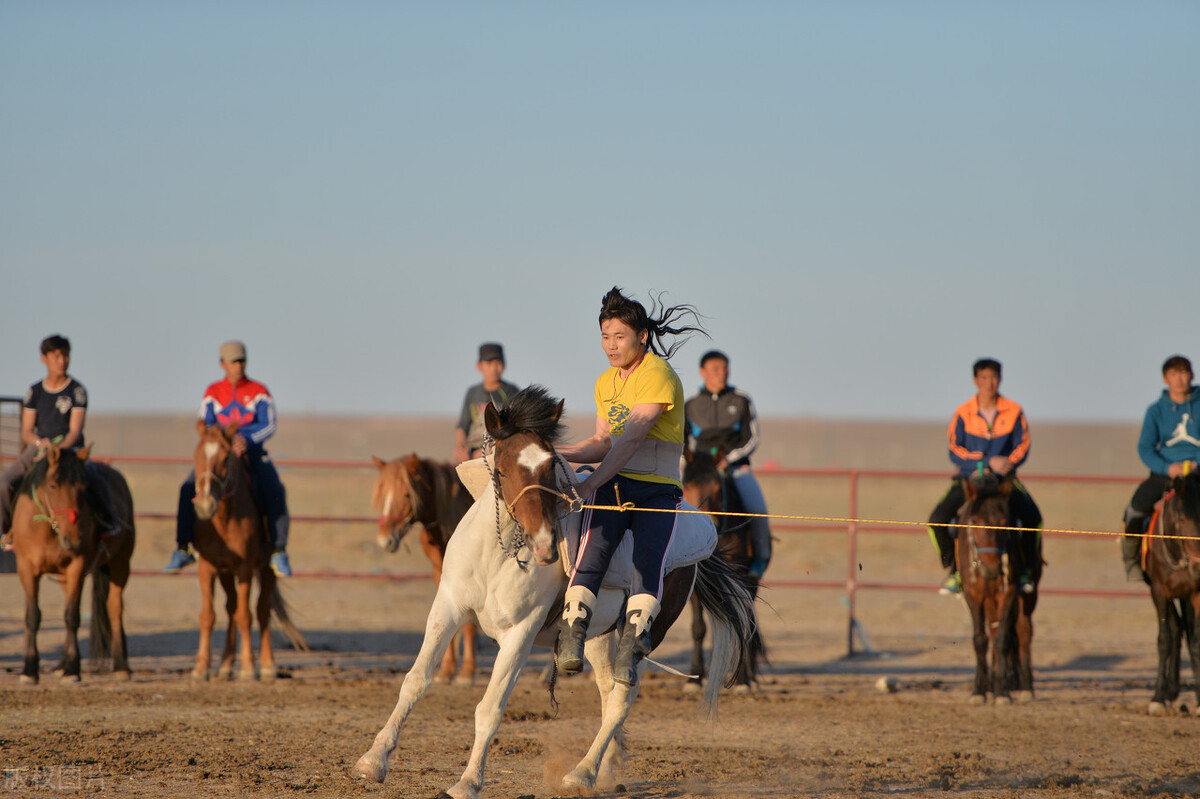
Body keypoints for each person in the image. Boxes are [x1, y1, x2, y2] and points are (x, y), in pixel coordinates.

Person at [556, 286, 704, 686]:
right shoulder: (605, 382)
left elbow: (633, 438)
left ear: (641, 337)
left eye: (619, 337)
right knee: (589, 557)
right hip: (615, 485)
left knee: (647, 566)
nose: (610, 345)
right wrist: (555, 453)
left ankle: (632, 648)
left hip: (656, 491)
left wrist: (590, 486)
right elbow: (603, 442)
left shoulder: (658, 375)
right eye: (605, 337)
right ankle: (572, 637)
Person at [164, 341, 292, 577]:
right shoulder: (213, 392)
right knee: (187, 488)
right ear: (223, 364)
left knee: (274, 489)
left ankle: (278, 550)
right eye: (233, 361)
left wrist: (246, 439)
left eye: (241, 360)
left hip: (251, 452)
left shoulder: (259, 391)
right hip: (219, 454)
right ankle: (183, 547)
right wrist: (222, 441)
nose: (238, 365)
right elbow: (205, 422)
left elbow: (269, 424)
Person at [927, 358, 1042, 596]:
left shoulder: (1014, 411)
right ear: (975, 381)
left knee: (1033, 519)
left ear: (1000, 379)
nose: (989, 383)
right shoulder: (963, 413)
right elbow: (954, 449)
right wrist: (984, 462)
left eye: (993, 377)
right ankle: (955, 571)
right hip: (969, 479)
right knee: (936, 519)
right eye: (984, 378)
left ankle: (1025, 572)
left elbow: (1023, 445)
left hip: (1004, 482)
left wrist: (1008, 463)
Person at [0, 335, 120, 550]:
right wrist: (40, 444)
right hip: (39, 449)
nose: (62, 361)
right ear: (44, 359)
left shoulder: (77, 391)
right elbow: (27, 431)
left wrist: (58, 450)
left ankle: (108, 524)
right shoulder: (34, 392)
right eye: (56, 356)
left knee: (96, 480)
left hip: (69, 451)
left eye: (65, 355)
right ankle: (7, 532)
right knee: (5, 482)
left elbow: (75, 430)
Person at [684, 350, 772, 578]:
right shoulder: (691, 405)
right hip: (701, 473)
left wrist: (728, 459)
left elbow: (752, 438)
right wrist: (691, 465)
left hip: (735, 469)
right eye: (715, 369)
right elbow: (680, 441)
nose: (721, 373)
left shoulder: (742, 400)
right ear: (703, 372)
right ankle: (675, 562)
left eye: (724, 368)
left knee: (758, 509)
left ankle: (760, 559)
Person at [1121, 354, 1200, 582]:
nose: (1179, 379)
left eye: (1184, 373)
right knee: (1135, 510)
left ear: (1191, 375)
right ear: (1165, 379)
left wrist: (1196, 464)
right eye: (1174, 374)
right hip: (1165, 475)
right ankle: (1132, 561)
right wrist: (1168, 468)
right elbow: (1145, 448)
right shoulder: (1155, 411)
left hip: (1198, 474)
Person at [452, 343, 521, 464]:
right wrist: (460, 448)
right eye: (489, 364)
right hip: (471, 453)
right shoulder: (472, 392)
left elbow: (515, 430)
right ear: (479, 366)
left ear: (504, 365)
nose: (494, 368)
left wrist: (489, 451)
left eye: (498, 363)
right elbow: (462, 426)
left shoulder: (511, 392)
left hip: (499, 453)